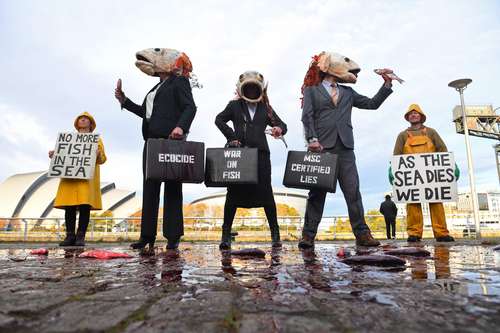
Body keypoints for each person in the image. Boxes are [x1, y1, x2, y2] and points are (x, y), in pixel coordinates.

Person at [299, 51, 394, 248]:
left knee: (353, 192)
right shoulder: (311, 90)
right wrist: (312, 139)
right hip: (320, 149)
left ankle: (362, 234)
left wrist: (386, 84)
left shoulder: (348, 93)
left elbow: (371, 104)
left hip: (345, 148)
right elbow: (307, 116)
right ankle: (308, 236)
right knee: (317, 194)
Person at [115, 48, 197, 251]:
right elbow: (145, 112)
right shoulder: (155, 88)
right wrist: (124, 100)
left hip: (171, 142)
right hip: (151, 143)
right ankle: (147, 236)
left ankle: (173, 236)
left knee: (172, 189)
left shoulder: (179, 82)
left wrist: (181, 126)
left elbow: (190, 107)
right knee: (150, 189)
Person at [215, 71, 287, 250]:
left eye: (255, 88)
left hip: (262, 155)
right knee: (232, 194)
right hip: (240, 155)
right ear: (242, 89)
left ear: (260, 89)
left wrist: (278, 129)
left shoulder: (266, 108)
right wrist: (231, 137)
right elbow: (219, 120)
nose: (252, 91)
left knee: (266, 194)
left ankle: (275, 236)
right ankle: (225, 236)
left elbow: (283, 125)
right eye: (249, 87)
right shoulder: (234, 106)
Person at [392, 103, 455, 242]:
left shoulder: (431, 132)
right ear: (408, 117)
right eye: (411, 114)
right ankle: (414, 233)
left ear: (421, 116)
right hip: (412, 178)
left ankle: (441, 233)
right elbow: (396, 155)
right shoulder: (402, 135)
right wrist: (393, 170)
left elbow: (442, 149)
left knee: (436, 203)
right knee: (413, 204)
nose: (413, 115)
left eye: (416, 113)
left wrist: (451, 166)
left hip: (432, 177)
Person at [50, 112, 107, 247]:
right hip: (70, 179)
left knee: (84, 207)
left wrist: (98, 154)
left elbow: (103, 159)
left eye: (86, 119)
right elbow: (62, 155)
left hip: (86, 179)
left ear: (91, 124)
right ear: (77, 123)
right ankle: (70, 236)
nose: (82, 120)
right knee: (69, 207)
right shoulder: (69, 139)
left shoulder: (96, 140)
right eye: (80, 119)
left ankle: (80, 236)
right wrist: (55, 154)